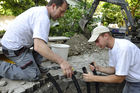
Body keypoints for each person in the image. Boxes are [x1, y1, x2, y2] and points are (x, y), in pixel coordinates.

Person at [0, 0, 73, 81]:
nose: (62, 15)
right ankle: (1, 67)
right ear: (53, 6)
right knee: (33, 75)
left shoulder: (41, 11)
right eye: (61, 11)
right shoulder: (43, 17)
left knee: (43, 41)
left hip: (19, 44)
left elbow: (41, 43)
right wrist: (62, 62)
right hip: (13, 48)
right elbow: (39, 47)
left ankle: (36, 66)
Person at [83, 26, 140, 93]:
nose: (96, 44)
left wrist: (93, 78)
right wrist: (99, 68)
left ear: (106, 36)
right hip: (130, 82)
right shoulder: (112, 49)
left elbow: (119, 78)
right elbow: (114, 69)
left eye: (97, 41)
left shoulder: (123, 48)